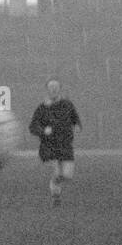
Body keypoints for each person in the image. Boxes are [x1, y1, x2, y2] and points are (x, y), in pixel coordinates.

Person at [28, 78, 82, 207]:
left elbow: (75, 118)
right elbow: (33, 127)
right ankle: (56, 197)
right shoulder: (42, 108)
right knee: (58, 172)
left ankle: (55, 185)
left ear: (59, 89)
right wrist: (43, 131)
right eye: (51, 87)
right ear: (47, 90)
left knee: (67, 175)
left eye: (56, 86)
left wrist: (78, 125)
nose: (53, 89)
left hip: (65, 145)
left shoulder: (68, 105)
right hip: (49, 146)